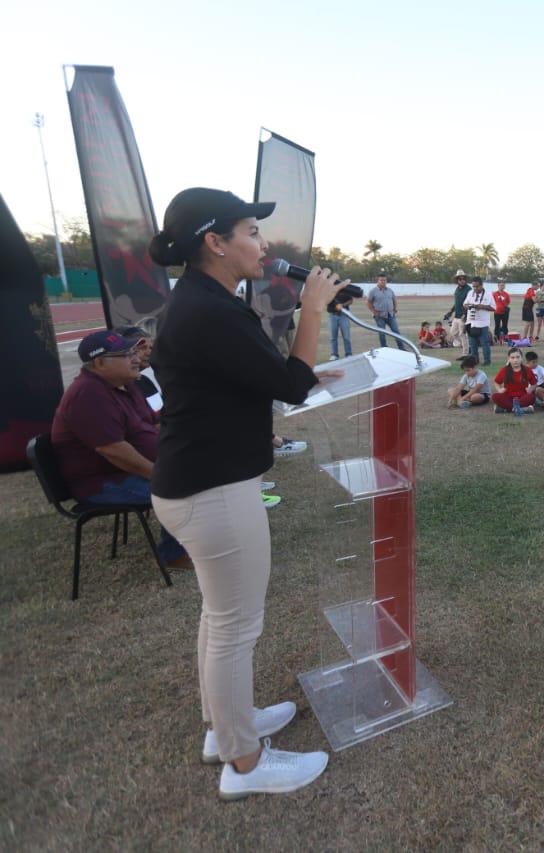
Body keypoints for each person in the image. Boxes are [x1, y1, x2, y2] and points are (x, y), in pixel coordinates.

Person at [145, 187, 337, 798]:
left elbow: (257, 378)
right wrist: (312, 310)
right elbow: (289, 386)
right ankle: (244, 763)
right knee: (234, 627)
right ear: (215, 242)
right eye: (252, 231)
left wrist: (304, 367)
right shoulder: (210, 311)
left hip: (197, 483)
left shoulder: (203, 303)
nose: (263, 244)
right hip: (212, 491)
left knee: (221, 619)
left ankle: (226, 727)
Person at [51, 330, 188, 568]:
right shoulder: (87, 395)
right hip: (103, 484)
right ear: (100, 363)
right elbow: (113, 450)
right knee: (180, 486)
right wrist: (160, 474)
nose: (135, 358)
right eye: (126, 354)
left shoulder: (126, 384)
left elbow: (151, 424)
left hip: (126, 474)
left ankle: (205, 539)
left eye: (132, 351)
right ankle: (174, 555)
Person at [366, 271, 406, 350]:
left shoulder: (390, 290)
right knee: (382, 333)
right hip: (379, 316)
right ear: (378, 281)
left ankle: (402, 348)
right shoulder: (373, 291)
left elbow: (394, 300)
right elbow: (368, 302)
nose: (383, 282)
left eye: (384, 280)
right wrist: (374, 311)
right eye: (381, 280)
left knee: (396, 332)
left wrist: (394, 308)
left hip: (391, 315)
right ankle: (384, 348)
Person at [462, 276, 497, 365]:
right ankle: (475, 361)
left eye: (477, 286)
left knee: (484, 343)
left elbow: (494, 308)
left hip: (482, 323)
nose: (475, 288)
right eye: (473, 286)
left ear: (482, 285)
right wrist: (469, 306)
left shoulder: (488, 294)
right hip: (471, 322)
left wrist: (482, 306)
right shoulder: (470, 293)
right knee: (472, 344)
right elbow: (465, 304)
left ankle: (487, 362)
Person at [491, 348, 538, 414]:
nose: (515, 360)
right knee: (495, 396)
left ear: (521, 358)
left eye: (518, 357)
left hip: (523, 396)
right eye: (512, 358)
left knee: (531, 397)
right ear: (509, 359)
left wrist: (530, 389)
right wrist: (499, 390)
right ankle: (521, 409)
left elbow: (534, 383)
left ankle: (507, 409)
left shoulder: (527, 370)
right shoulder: (504, 370)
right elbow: (496, 382)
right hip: (508, 397)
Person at [327, 281, 354, 360]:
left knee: (346, 336)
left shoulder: (345, 290)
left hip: (344, 315)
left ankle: (348, 354)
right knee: (333, 337)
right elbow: (325, 300)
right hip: (332, 315)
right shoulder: (329, 290)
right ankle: (334, 354)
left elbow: (351, 300)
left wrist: (342, 305)